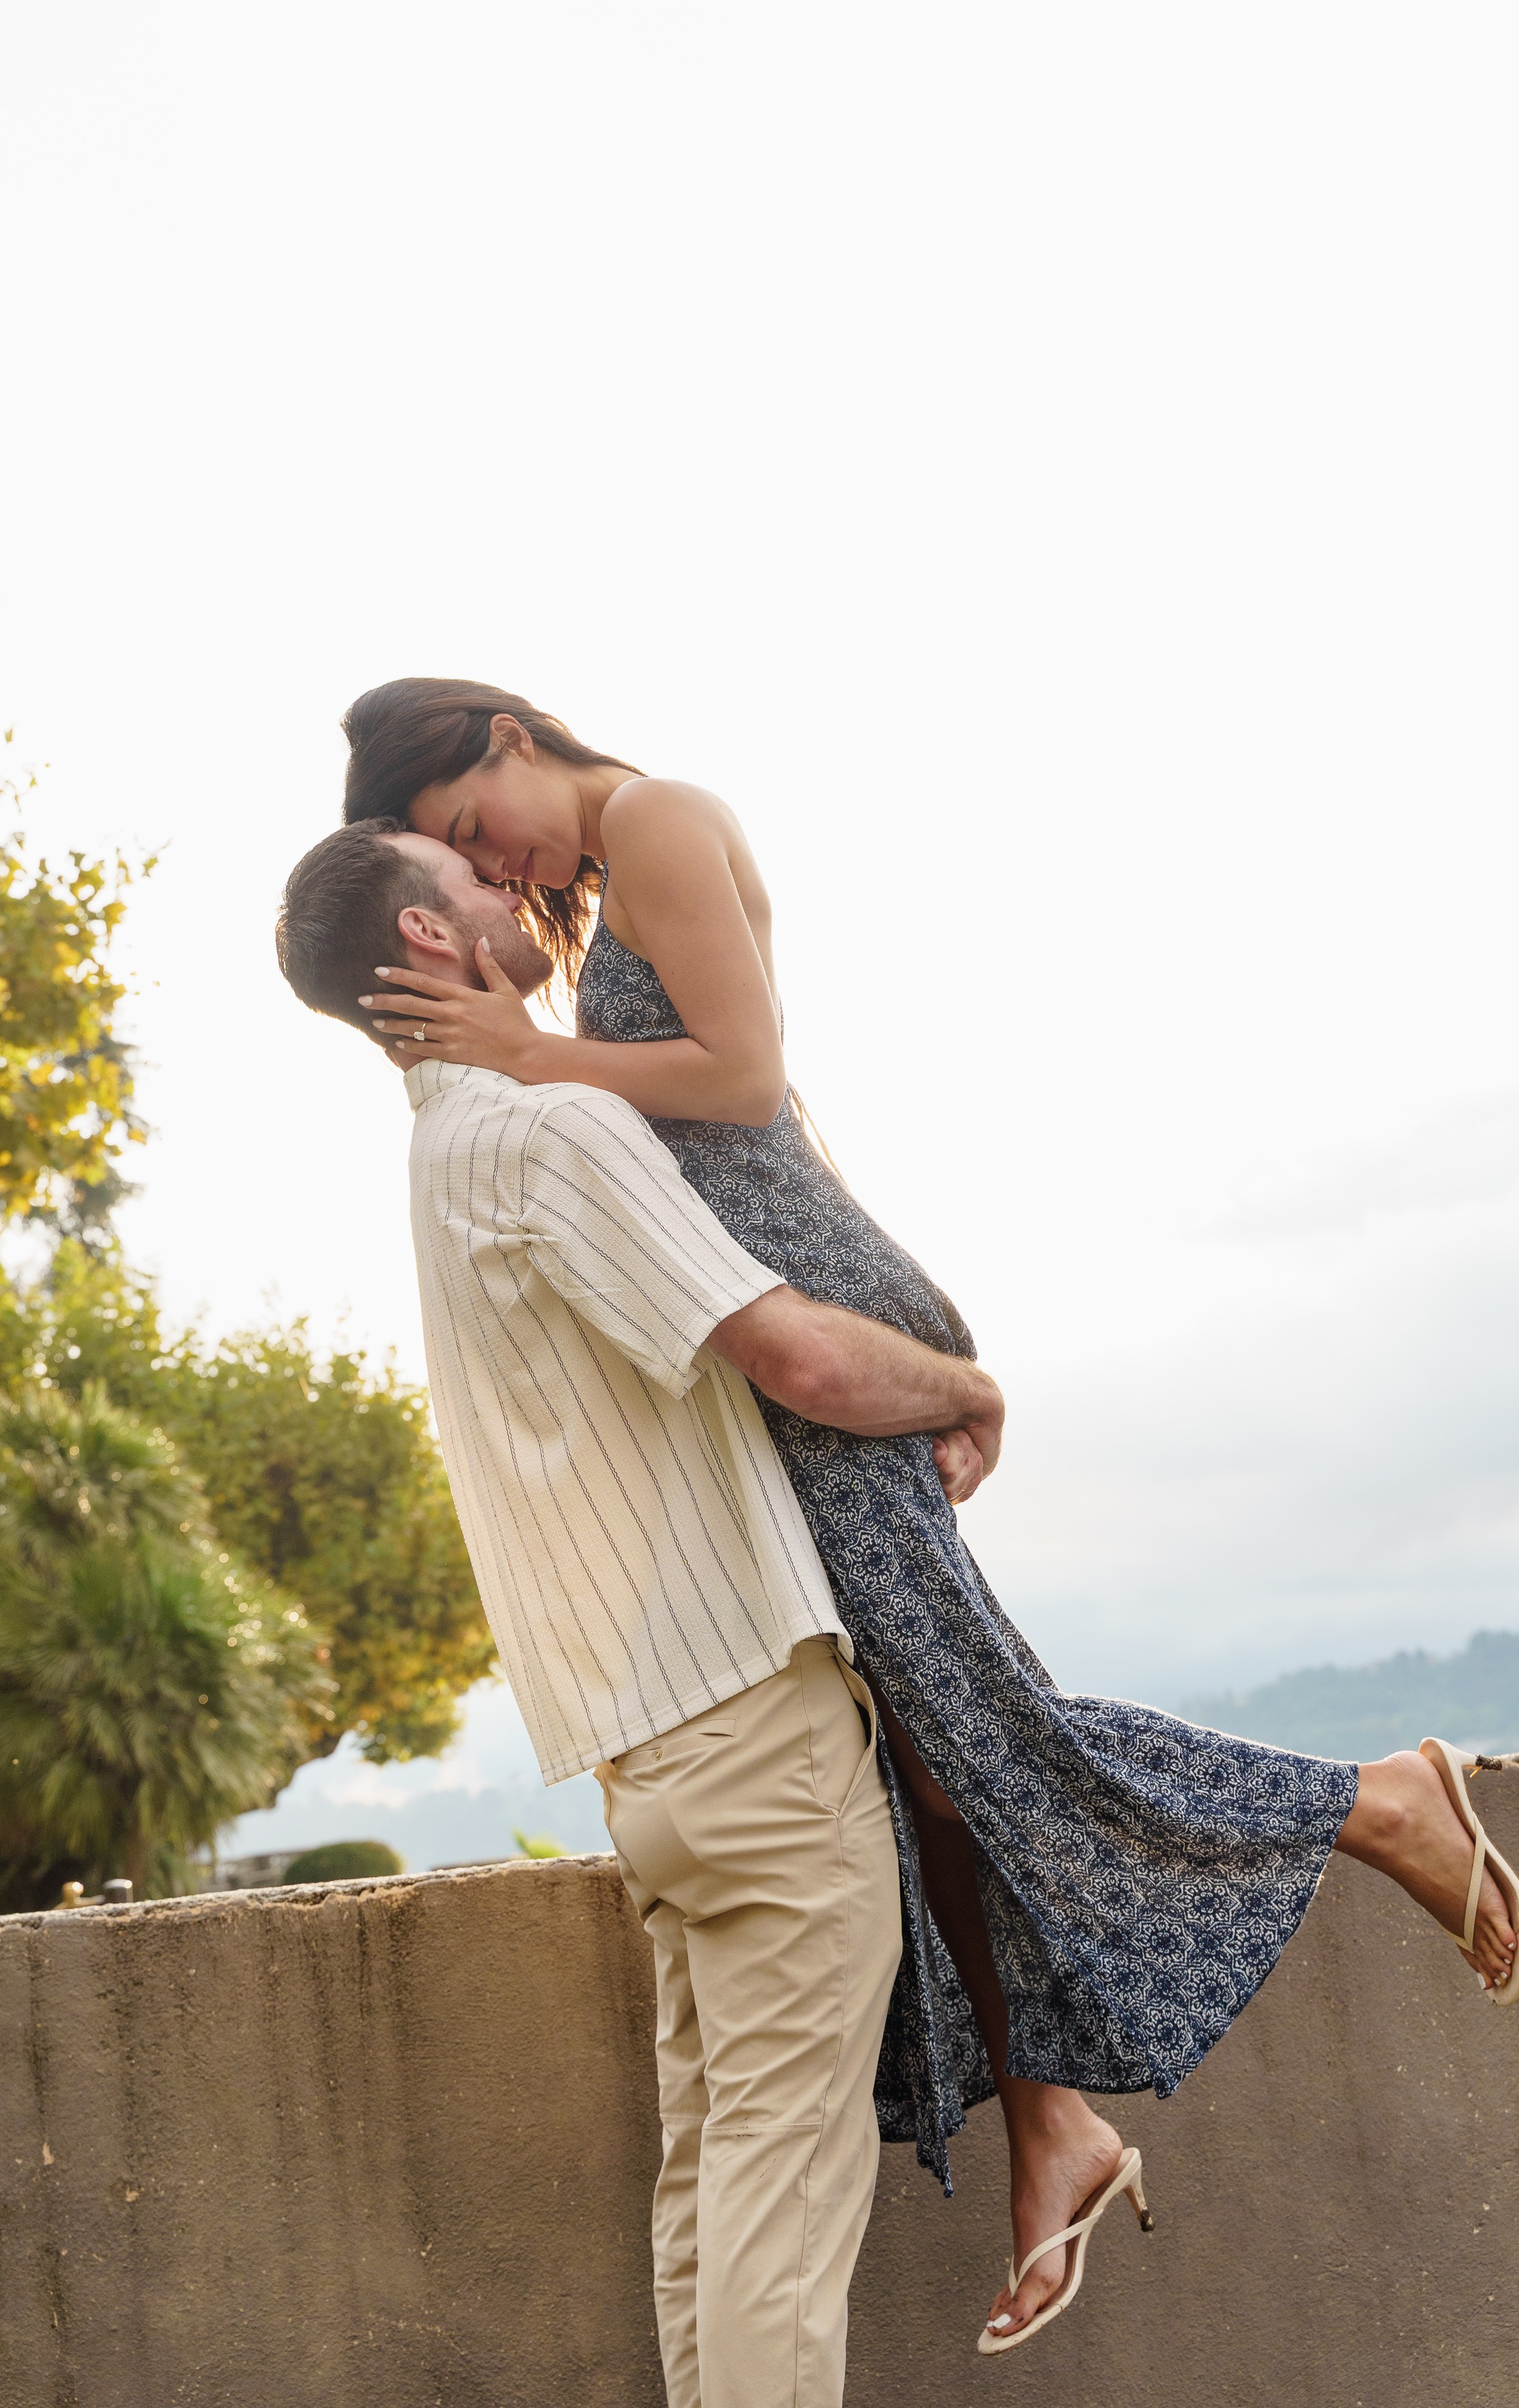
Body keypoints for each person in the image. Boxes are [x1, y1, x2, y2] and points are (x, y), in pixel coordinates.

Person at [331, 678, 1519, 2355]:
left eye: (478, 828)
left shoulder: (656, 814)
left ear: (504, 734)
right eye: (466, 862)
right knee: (923, 1755)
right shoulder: (593, 889)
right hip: (771, 1345)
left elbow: (744, 1079)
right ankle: (1051, 2123)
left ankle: (1374, 1799)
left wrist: (531, 1052)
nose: (505, 867)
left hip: (813, 1321)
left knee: (972, 1722)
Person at [275, 821, 1007, 2408]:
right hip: (746, 1723)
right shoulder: (549, 1128)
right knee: (781, 2193)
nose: (516, 894)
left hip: (647, 1750)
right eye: (475, 881)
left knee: (717, 2179)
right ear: (428, 938)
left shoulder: (443, 1158)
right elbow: (797, 1355)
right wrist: (964, 1384)